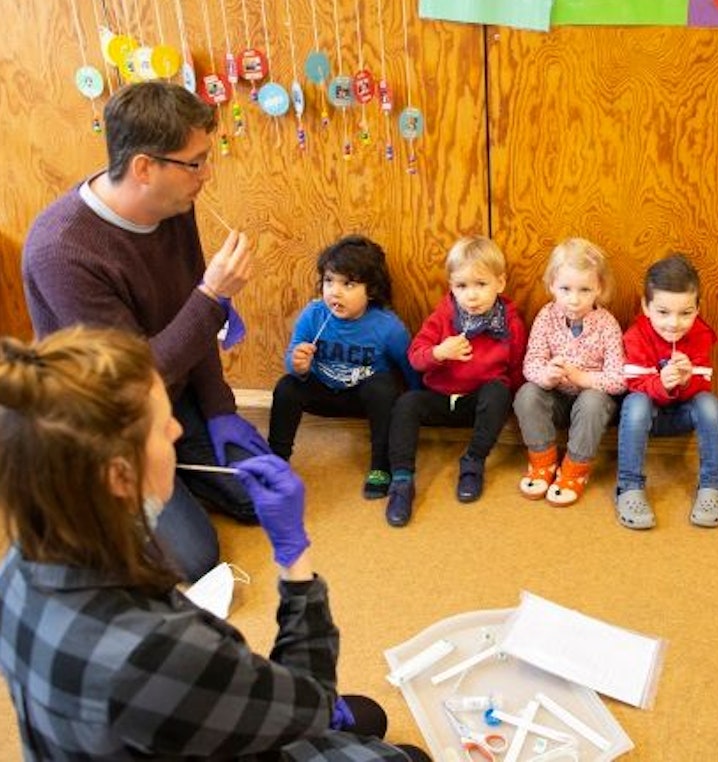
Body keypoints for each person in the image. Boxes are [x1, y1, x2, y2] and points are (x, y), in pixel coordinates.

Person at [0, 326, 430, 761]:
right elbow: (314, 703)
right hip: (184, 712)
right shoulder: (155, 656)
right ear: (118, 476)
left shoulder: (18, 565)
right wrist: (294, 556)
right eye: (161, 424)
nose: (175, 430)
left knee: (366, 717)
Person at [21, 81, 266, 581]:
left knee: (261, 495)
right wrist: (212, 297)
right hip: (108, 423)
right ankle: (104, 496)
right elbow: (134, 377)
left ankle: (177, 470)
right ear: (144, 168)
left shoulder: (173, 203)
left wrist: (220, 410)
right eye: (195, 162)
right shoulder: (62, 251)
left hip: (168, 401)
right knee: (196, 558)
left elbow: (189, 314)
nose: (207, 173)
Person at [384, 236, 527, 527]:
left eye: (481, 285)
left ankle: (473, 462)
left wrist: (507, 411)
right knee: (406, 403)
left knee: (499, 391)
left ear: (500, 283)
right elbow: (415, 357)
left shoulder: (510, 323)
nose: (471, 296)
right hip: (438, 398)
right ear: (451, 286)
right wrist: (439, 352)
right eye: (462, 286)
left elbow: (516, 370)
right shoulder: (442, 318)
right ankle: (401, 480)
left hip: (480, 403)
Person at [268, 235, 421, 499]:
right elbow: (292, 359)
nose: (334, 292)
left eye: (348, 284)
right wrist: (298, 365)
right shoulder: (313, 314)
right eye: (329, 281)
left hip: (363, 399)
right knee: (286, 387)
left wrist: (418, 405)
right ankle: (276, 462)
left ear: (371, 290)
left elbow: (411, 370)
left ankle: (380, 466)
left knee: (384, 387)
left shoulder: (388, 326)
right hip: (322, 392)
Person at [615, 253, 718, 529]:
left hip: (682, 415)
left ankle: (713, 486)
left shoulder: (700, 334)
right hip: (647, 417)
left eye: (685, 313)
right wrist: (661, 384)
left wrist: (688, 380)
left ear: (697, 307)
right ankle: (628, 486)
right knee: (636, 402)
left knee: (710, 404)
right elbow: (632, 384)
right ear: (646, 306)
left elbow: (704, 383)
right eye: (663, 312)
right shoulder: (636, 335)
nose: (674, 323)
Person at [514, 238, 627, 506]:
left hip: (592, 402)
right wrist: (547, 375)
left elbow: (619, 379)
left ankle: (575, 468)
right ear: (552, 285)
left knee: (592, 401)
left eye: (584, 289)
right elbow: (531, 364)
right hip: (555, 396)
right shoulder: (546, 316)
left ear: (599, 288)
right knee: (527, 394)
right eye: (565, 289)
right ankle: (543, 461)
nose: (573, 300)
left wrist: (582, 378)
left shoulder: (607, 324)